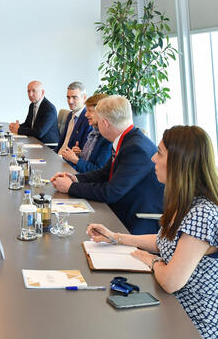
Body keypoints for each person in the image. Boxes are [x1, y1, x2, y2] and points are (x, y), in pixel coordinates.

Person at [86, 125, 218, 339]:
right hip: (170, 309)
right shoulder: (186, 202)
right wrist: (115, 237)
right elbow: (162, 240)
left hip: (192, 326)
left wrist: (152, 260)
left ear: (179, 162)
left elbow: (171, 281)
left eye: (160, 153)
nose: (153, 159)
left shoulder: (203, 213)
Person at [51, 95, 164, 234]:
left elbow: (111, 192)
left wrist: (70, 187)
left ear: (105, 123)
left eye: (98, 122)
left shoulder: (135, 148)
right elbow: (104, 173)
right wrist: (74, 178)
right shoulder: (128, 139)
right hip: (121, 209)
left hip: (134, 221)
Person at [61, 93, 112, 172]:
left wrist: (76, 160)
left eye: (90, 111)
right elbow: (89, 162)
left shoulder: (108, 139)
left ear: (101, 113)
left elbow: (98, 171)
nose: (86, 114)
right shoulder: (94, 134)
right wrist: (78, 155)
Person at [56, 81, 91, 155]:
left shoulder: (88, 119)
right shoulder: (70, 115)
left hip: (69, 159)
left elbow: (86, 150)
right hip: (58, 155)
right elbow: (63, 142)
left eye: (74, 97)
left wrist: (80, 152)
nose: (70, 101)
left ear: (84, 97)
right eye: (68, 97)